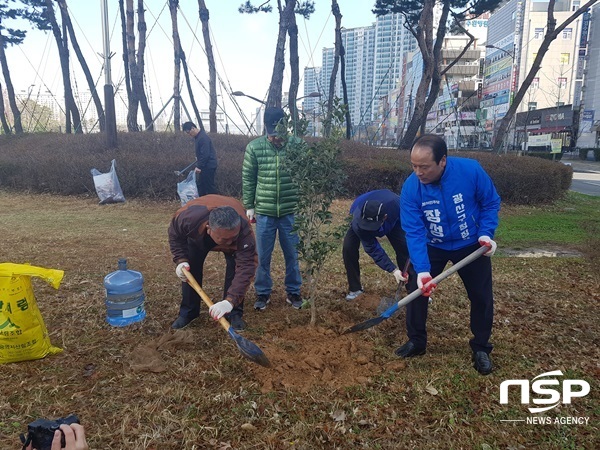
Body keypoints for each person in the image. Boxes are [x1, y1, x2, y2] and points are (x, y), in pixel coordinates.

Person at [399, 134, 501, 375]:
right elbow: (413, 230)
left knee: (481, 296)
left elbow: (490, 202)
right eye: (413, 166)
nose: (418, 172)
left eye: (424, 167)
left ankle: (481, 347)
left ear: (442, 161)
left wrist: (486, 234)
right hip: (432, 244)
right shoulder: (411, 188)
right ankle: (417, 341)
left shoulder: (470, 171)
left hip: (470, 243)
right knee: (416, 290)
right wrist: (422, 270)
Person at [242, 106, 303, 311]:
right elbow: (248, 178)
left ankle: (293, 291)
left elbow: (306, 175)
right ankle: (262, 293)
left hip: (290, 212)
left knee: (293, 255)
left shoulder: (297, 146)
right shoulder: (254, 147)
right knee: (262, 256)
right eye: (271, 135)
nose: (274, 139)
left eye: (278, 135)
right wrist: (249, 206)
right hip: (265, 213)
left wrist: (303, 203)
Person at [168, 195, 257, 331]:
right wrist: (181, 260)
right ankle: (188, 312)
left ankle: (233, 313)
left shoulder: (244, 232)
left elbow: (246, 268)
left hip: (231, 231)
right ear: (209, 228)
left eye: (232, 238)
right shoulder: (188, 218)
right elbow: (175, 234)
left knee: (235, 271)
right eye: (224, 239)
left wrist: (230, 301)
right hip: (198, 236)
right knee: (190, 270)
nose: (228, 243)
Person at [343, 189, 413, 300]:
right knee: (348, 248)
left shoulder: (398, 206)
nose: (370, 230)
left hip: (394, 218)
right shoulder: (358, 222)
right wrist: (393, 270)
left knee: (405, 249)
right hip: (360, 215)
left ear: (384, 217)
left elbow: (413, 223)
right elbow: (372, 248)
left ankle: (413, 290)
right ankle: (355, 289)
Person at [182, 121, 218, 196]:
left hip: (208, 166)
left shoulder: (203, 138)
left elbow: (206, 154)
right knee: (201, 186)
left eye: (189, 132)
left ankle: (217, 203)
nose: (189, 135)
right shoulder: (198, 137)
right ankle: (203, 203)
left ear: (193, 128)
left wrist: (199, 166)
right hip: (205, 165)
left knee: (209, 187)